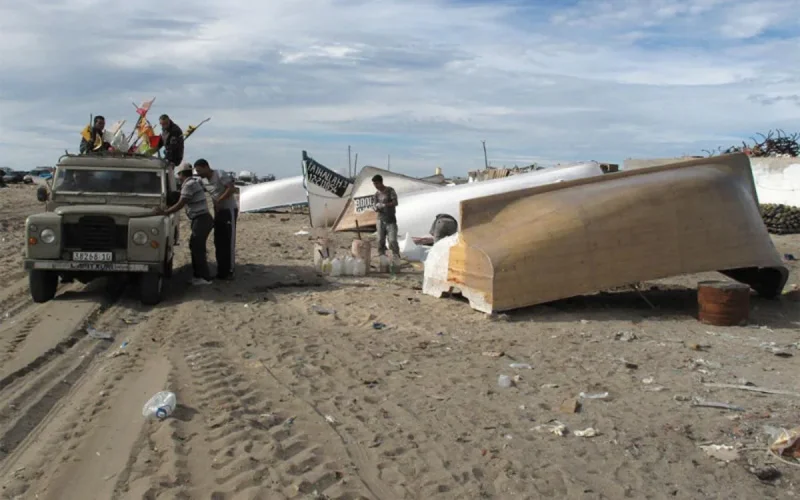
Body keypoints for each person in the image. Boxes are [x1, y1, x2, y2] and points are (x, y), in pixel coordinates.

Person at [154, 162, 212, 285]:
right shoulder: (192, 183)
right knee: (195, 246)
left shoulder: (189, 185)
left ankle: (204, 277)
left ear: (181, 174)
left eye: (178, 174)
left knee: (197, 248)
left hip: (201, 219)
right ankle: (199, 275)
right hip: (202, 219)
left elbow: (181, 203)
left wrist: (165, 212)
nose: (178, 177)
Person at [194, 158, 238, 280]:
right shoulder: (203, 180)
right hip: (218, 212)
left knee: (228, 241)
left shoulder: (219, 174)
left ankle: (230, 270)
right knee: (218, 241)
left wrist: (220, 200)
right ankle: (221, 270)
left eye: (199, 170)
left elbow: (231, 189)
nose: (198, 173)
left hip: (228, 210)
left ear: (206, 167)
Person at [372, 174, 401, 260]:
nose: (376, 186)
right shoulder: (376, 195)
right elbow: (374, 206)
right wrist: (376, 207)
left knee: (392, 240)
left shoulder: (390, 190)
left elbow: (395, 202)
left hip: (391, 220)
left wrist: (385, 205)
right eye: (374, 184)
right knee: (380, 240)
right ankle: (382, 257)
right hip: (380, 220)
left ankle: (396, 256)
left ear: (381, 182)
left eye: (377, 183)